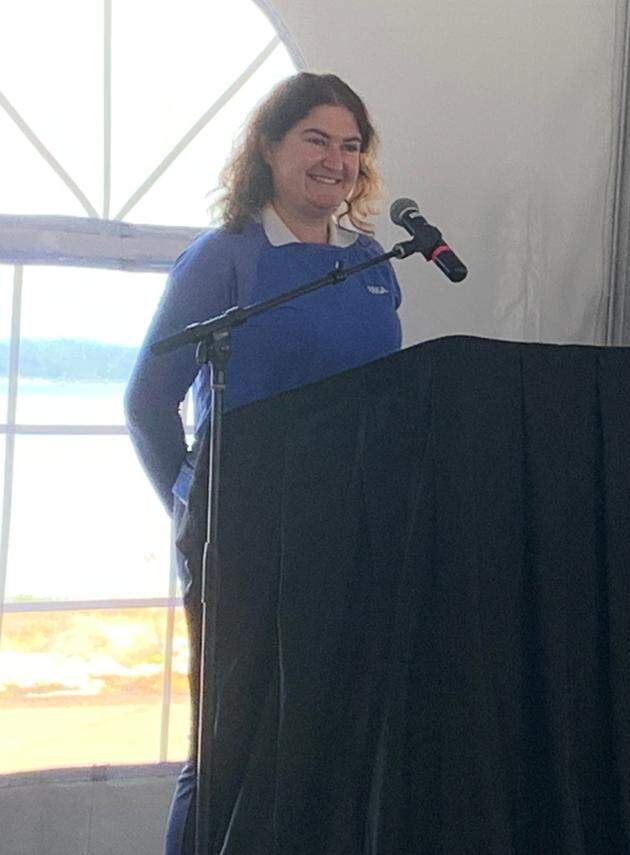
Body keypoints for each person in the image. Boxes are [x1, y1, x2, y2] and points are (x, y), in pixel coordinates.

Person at [124, 71, 401, 855]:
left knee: (336, 734)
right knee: (230, 742)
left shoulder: (373, 260)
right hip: (245, 538)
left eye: (351, 145)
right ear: (270, 147)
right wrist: (193, 501)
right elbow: (147, 401)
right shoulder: (227, 258)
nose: (335, 160)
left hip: (351, 535)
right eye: (316, 138)